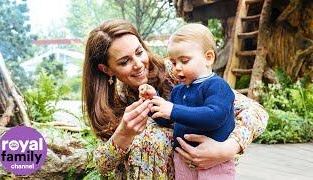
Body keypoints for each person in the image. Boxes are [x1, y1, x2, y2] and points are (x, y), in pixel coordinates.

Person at [82, 19, 268, 179]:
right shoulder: (108, 103)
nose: (138, 65)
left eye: (139, 52)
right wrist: (123, 134)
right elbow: (102, 165)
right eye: (124, 61)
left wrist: (227, 149)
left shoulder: (177, 72)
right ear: (106, 69)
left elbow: (256, 112)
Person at [140, 23, 236, 179]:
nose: (177, 67)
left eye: (184, 61)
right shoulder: (179, 90)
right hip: (183, 160)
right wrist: (153, 101)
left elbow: (214, 117)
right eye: (173, 62)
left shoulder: (217, 86)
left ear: (208, 58)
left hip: (214, 164)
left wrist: (172, 109)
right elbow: (169, 120)